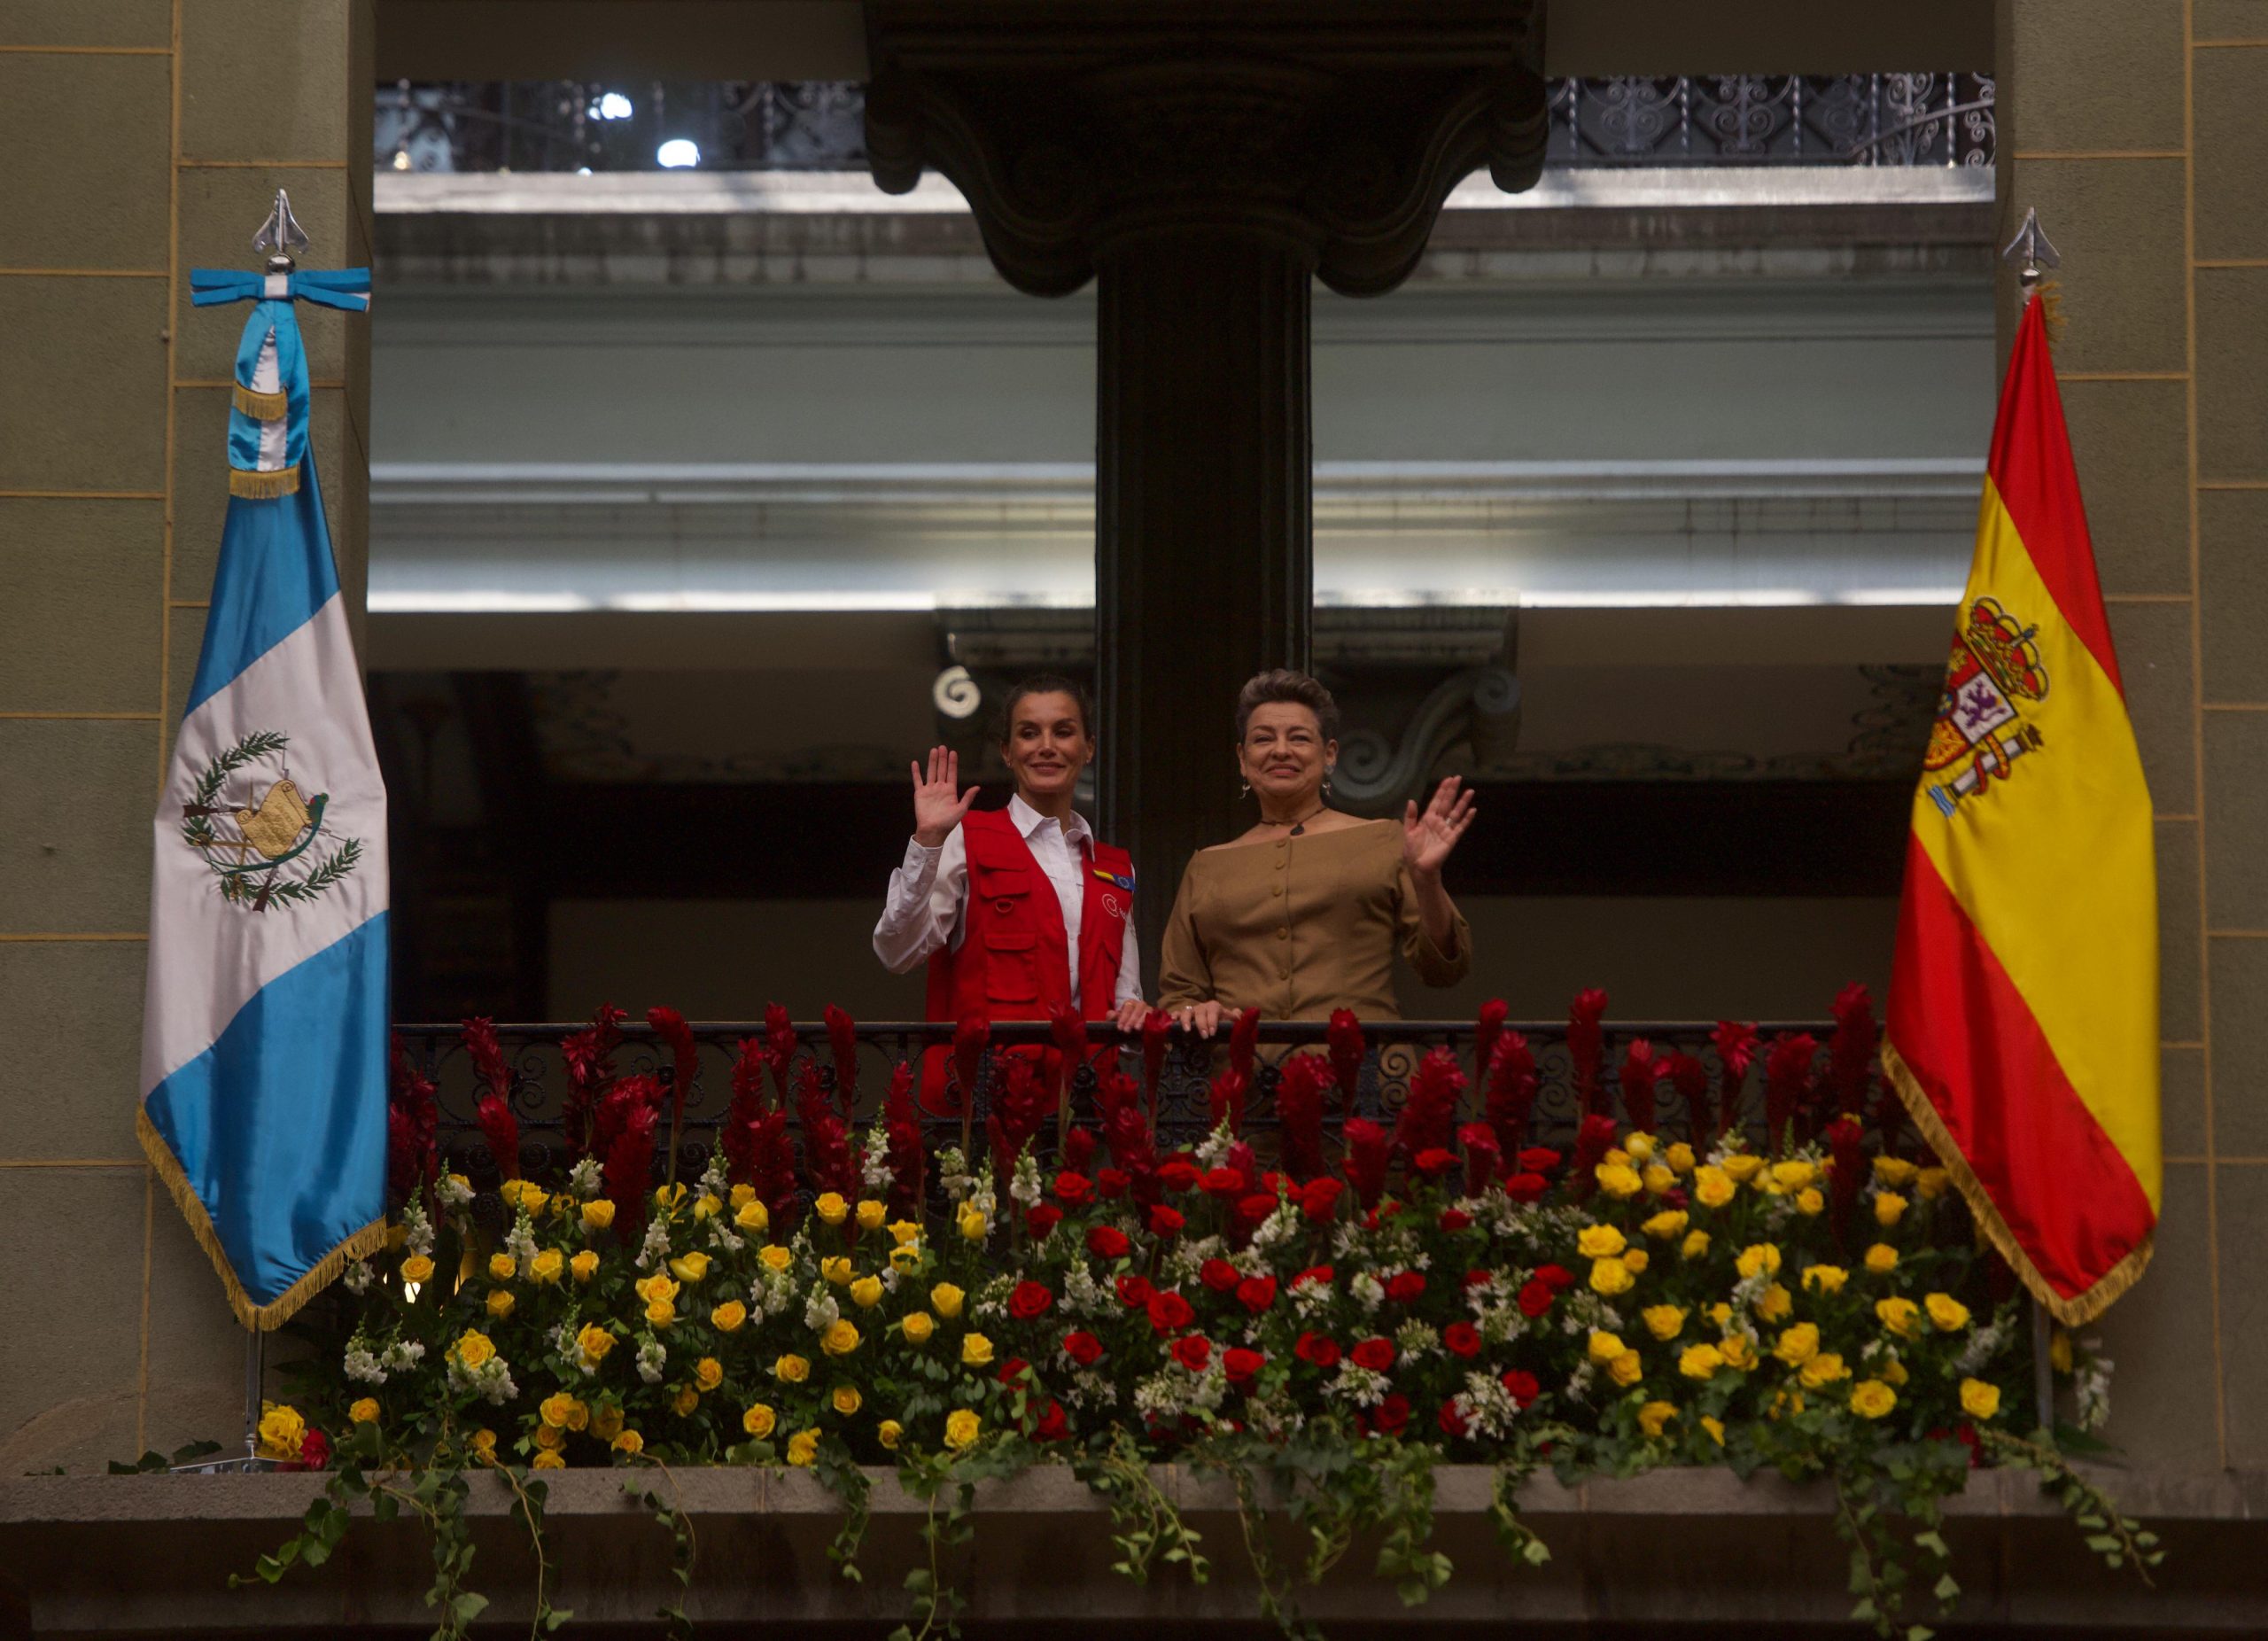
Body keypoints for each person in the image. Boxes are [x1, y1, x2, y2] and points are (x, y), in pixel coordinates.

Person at [874, 675, 1148, 1107]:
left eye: (1063, 731)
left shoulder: (1114, 867)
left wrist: (1138, 1014)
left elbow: (1124, 1000)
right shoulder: (968, 839)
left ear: (1088, 747)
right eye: (1028, 733)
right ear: (1006, 751)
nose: (1046, 746)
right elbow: (897, 952)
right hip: (982, 1108)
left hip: (1085, 1108)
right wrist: (928, 840)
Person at [1159, 668, 1474, 1035]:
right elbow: (1179, 993)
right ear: (1243, 759)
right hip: (1244, 1078)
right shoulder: (1207, 866)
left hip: (1364, 1077)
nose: (1280, 751)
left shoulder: (1383, 840)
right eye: (1263, 739)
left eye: (1299, 738)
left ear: (1329, 754)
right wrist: (1196, 1010)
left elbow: (1444, 969)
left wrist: (1427, 880)